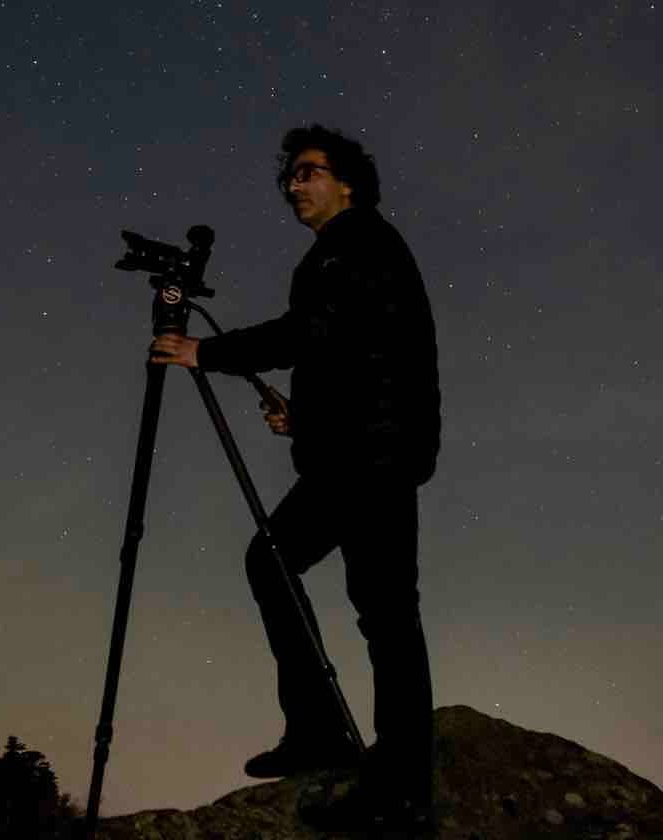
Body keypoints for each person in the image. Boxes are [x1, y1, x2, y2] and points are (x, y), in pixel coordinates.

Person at [149, 124, 440, 831]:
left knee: (383, 609)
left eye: (309, 172)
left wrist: (202, 352)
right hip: (355, 452)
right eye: (290, 175)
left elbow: (311, 333)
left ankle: (400, 778)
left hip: (373, 458)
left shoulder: (359, 243)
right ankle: (323, 732)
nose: (294, 185)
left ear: (349, 183)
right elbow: (357, 355)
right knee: (280, 565)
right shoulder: (341, 253)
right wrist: (305, 420)